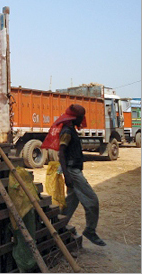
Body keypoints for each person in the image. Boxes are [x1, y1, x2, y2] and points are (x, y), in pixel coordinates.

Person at [42, 104, 106, 246]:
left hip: (74, 170)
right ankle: (90, 230)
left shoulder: (71, 130)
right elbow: (61, 153)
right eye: (81, 117)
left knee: (70, 204)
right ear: (74, 118)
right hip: (73, 172)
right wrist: (67, 175)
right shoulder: (67, 132)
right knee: (92, 201)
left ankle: (57, 226)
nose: (83, 119)